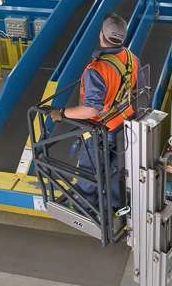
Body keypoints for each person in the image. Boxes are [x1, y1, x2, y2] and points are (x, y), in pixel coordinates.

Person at [50, 13, 139, 209]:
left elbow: (90, 110)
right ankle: (114, 206)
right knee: (117, 169)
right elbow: (131, 89)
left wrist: (61, 113)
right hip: (125, 123)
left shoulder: (97, 69)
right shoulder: (132, 59)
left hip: (102, 131)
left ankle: (86, 207)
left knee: (90, 172)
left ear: (101, 35)